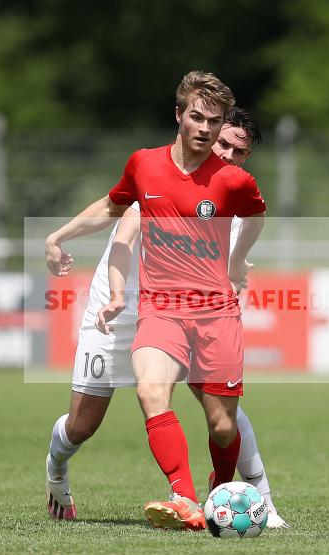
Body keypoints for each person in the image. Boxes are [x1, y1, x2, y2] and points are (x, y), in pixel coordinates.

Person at [44, 107, 287, 528]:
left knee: (220, 407)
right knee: (83, 425)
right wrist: (72, 249)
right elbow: (121, 230)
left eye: (239, 151)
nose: (227, 154)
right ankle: (56, 470)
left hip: (178, 312)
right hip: (117, 308)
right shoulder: (165, 175)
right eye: (223, 144)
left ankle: (257, 502)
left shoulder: (230, 194)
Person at [94, 71, 266, 530]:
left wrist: (236, 262)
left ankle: (221, 490)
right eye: (197, 117)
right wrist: (65, 242)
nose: (205, 129)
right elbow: (116, 211)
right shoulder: (144, 165)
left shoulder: (234, 180)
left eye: (215, 121)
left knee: (223, 426)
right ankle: (184, 497)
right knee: (151, 391)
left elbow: (256, 216)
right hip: (161, 308)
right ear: (179, 115)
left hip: (216, 312)